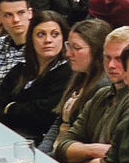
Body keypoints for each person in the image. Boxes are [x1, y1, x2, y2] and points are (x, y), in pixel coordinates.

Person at [56, 26, 129, 163]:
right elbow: (63, 147)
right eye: (107, 57)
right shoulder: (101, 95)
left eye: (119, 59)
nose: (111, 65)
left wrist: (78, 160)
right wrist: (93, 150)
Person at [0, 9, 72, 143]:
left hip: (39, 142)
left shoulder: (68, 72)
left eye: (55, 34)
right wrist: (23, 111)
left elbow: (46, 115)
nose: (48, 40)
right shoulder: (19, 70)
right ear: (31, 38)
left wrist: (10, 108)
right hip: (5, 137)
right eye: (41, 34)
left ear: (64, 38)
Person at [45, 17, 114, 154]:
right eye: (68, 46)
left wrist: (48, 158)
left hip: (68, 157)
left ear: (98, 51)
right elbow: (60, 122)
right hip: (55, 152)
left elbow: (82, 138)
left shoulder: (102, 87)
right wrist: (41, 153)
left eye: (76, 48)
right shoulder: (79, 76)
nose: (68, 54)